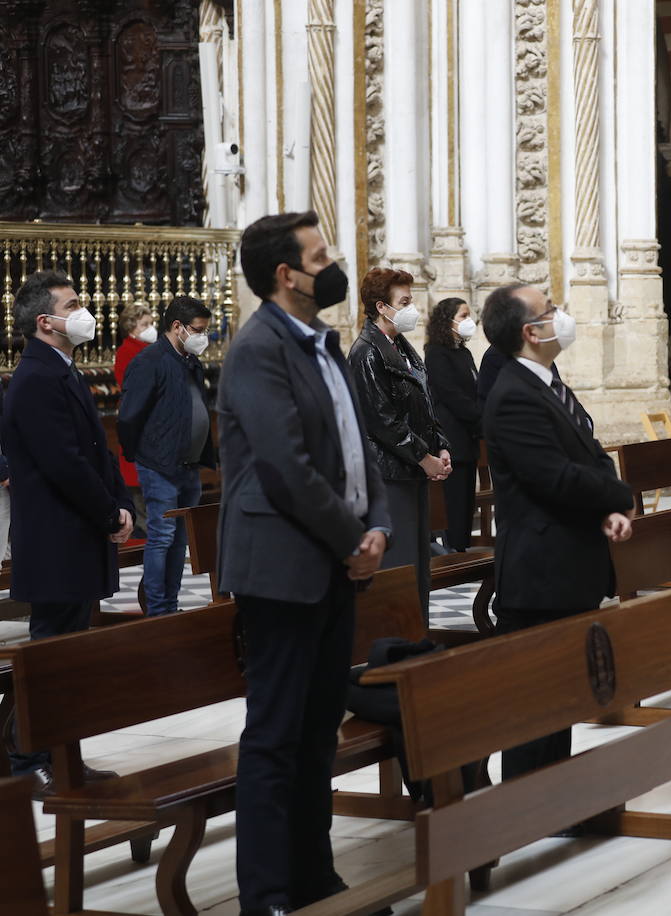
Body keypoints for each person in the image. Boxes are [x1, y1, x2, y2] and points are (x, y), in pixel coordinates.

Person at [219, 212, 390, 915]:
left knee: (320, 732)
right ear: (287, 275)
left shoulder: (324, 342)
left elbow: (359, 445)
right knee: (275, 738)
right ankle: (266, 895)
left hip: (331, 561)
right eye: (321, 255)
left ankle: (314, 876)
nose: (334, 263)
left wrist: (377, 521)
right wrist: (351, 541)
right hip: (284, 569)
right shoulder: (258, 349)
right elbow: (285, 467)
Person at [481, 283, 634, 779]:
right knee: (535, 703)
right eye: (550, 310)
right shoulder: (512, 396)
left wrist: (605, 506)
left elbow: (589, 454)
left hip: (569, 561)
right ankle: (526, 808)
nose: (560, 316)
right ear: (531, 332)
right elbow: (554, 476)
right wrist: (618, 497)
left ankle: (555, 802)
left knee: (562, 694)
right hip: (540, 571)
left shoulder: (546, 381)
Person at [3, 270, 131, 795]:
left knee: (70, 655)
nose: (84, 311)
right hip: (56, 537)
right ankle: (27, 760)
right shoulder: (34, 378)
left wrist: (120, 505)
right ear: (46, 321)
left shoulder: (61, 369)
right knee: (51, 655)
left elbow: (96, 452)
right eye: (73, 303)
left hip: (74, 535)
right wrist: (108, 514)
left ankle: (65, 757)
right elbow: (64, 463)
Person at [348, 268, 451, 620]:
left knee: (418, 561)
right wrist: (425, 459)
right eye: (404, 302)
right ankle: (394, 643)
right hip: (389, 474)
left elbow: (424, 402)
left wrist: (441, 446)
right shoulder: (366, 353)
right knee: (400, 563)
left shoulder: (402, 347)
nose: (412, 308)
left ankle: (416, 636)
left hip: (412, 469)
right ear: (381, 307)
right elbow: (382, 421)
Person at [116, 295, 216, 616]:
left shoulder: (190, 360)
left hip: (188, 464)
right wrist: (142, 455)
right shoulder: (149, 361)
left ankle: (170, 604)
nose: (204, 336)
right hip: (160, 465)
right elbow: (129, 416)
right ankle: (159, 610)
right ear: (177, 327)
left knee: (181, 539)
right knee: (162, 536)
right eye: (199, 329)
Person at [424, 296, 483, 552]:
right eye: (463, 316)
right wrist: (481, 414)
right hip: (452, 437)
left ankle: (462, 547)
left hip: (468, 437)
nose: (468, 321)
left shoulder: (464, 352)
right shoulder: (436, 353)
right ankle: (454, 550)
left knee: (466, 502)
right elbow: (450, 394)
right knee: (454, 502)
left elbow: (474, 389)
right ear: (446, 321)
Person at [114, 302, 156, 534]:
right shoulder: (128, 351)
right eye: (145, 324)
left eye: (151, 323)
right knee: (140, 490)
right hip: (139, 424)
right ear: (132, 327)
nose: (151, 328)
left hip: (151, 424)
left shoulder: (150, 348)